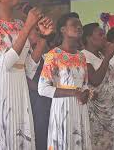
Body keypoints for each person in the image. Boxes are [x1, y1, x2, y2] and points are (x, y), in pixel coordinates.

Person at [0, 0, 54, 149]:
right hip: (2, 87)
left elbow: (27, 68)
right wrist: (29, 26)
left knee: (22, 138)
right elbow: (5, 63)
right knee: (4, 137)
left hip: (20, 88)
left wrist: (43, 38)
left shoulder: (20, 24)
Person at [38, 12, 92, 149]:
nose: (79, 27)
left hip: (80, 107)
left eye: (80, 25)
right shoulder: (54, 55)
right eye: (74, 25)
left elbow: (85, 83)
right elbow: (43, 88)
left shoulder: (81, 56)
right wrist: (74, 93)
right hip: (63, 108)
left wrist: (87, 92)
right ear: (63, 30)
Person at [81, 23, 114, 150]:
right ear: (88, 38)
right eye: (100, 34)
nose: (104, 37)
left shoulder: (99, 55)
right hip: (98, 114)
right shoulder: (84, 56)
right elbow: (95, 80)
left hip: (111, 110)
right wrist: (107, 57)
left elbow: (105, 78)